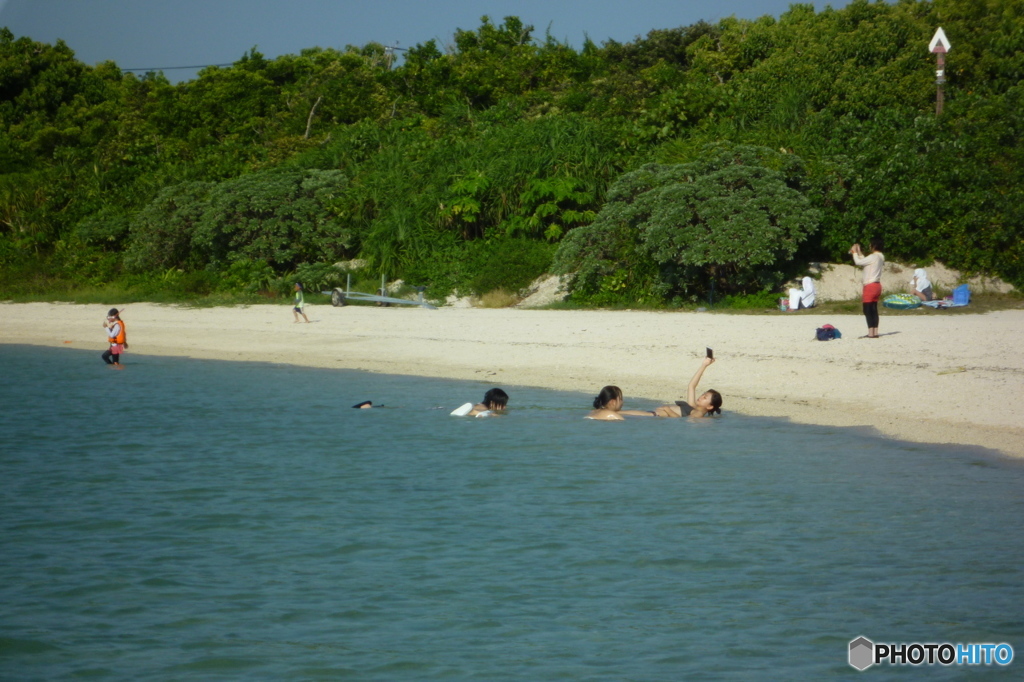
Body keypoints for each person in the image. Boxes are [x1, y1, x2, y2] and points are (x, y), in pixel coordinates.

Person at [628, 356, 722, 418]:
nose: (701, 397)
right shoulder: (693, 406)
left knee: (622, 414)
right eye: (703, 395)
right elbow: (691, 386)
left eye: (705, 397)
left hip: (655, 415)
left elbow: (684, 421)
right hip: (654, 414)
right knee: (621, 414)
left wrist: (668, 410)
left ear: (710, 406)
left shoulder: (698, 413)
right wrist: (704, 365)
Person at [850, 238, 884, 338]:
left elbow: (858, 262)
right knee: (874, 309)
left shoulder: (873, 256)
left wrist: (854, 252)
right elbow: (865, 261)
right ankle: (875, 332)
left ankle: (870, 333)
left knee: (867, 309)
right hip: (877, 285)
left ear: (873, 246)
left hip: (870, 285)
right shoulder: (880, 256)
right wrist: (860, 252)